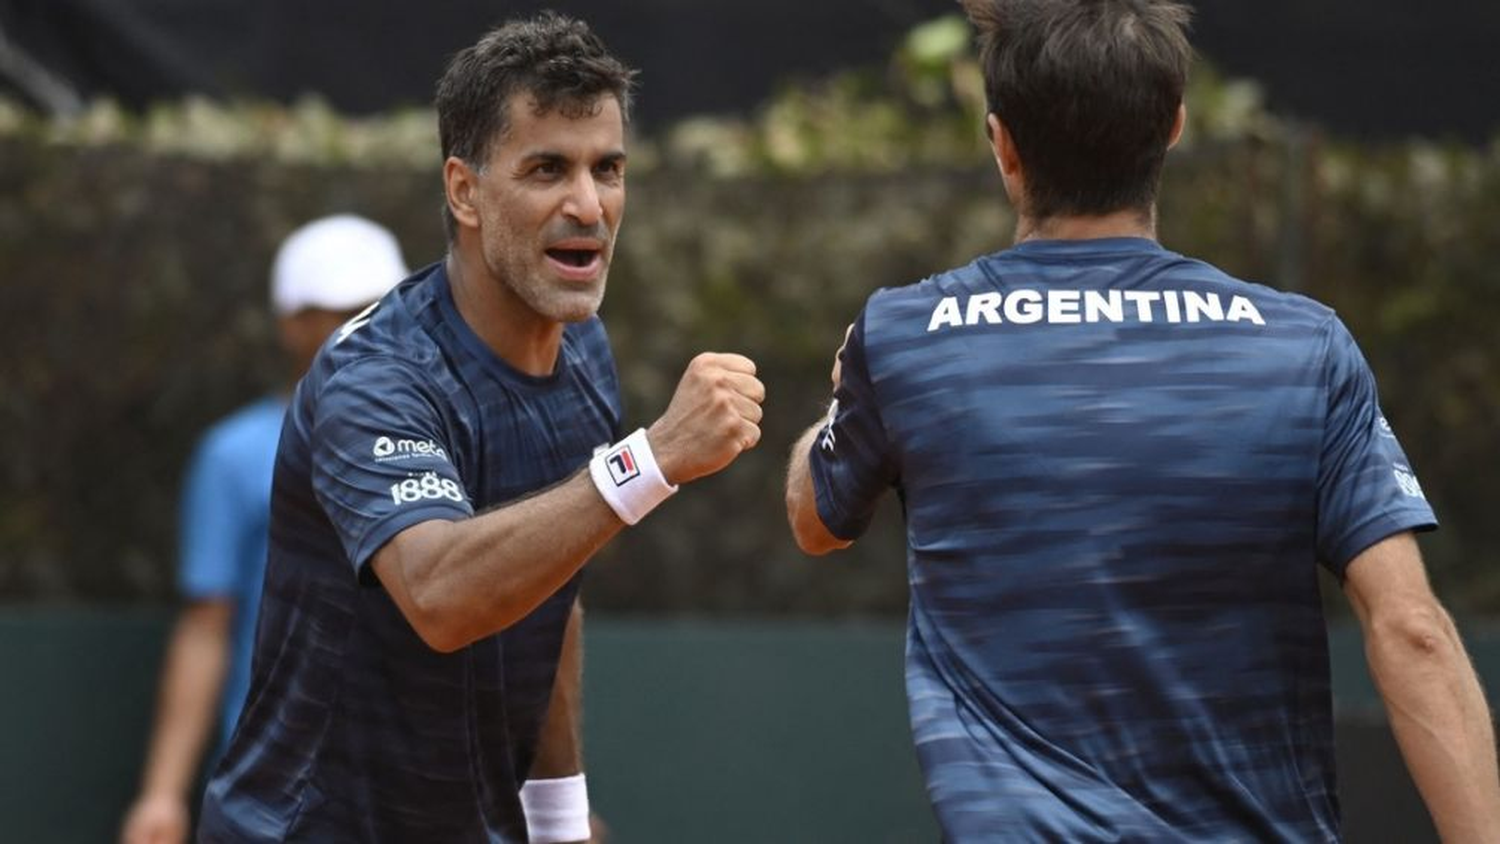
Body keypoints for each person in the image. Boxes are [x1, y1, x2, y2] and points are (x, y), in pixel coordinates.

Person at [785, 1, 1500, 840]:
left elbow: (815, 521)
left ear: (1002, 143)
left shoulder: (905, 337)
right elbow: (1410, 628)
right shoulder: (1305, 347)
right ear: (1173, 127)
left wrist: (842, 397)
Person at [197, 12, 764, 843]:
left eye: (607, 169)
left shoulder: (583, 350)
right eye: (547, 169)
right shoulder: (374, 378)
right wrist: (654, 458)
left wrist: (560, 822)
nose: (588, 205)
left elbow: (551, 589)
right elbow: (442, 595)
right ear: (464, 190)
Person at [119, 215, 409, 844]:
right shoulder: (231, 455)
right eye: (333, 310)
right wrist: (163, 795)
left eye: (373, 308)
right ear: (290, 324)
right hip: (278, 801)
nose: (356, 328)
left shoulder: (454, 441)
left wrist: (547, 792)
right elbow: (205, 627)